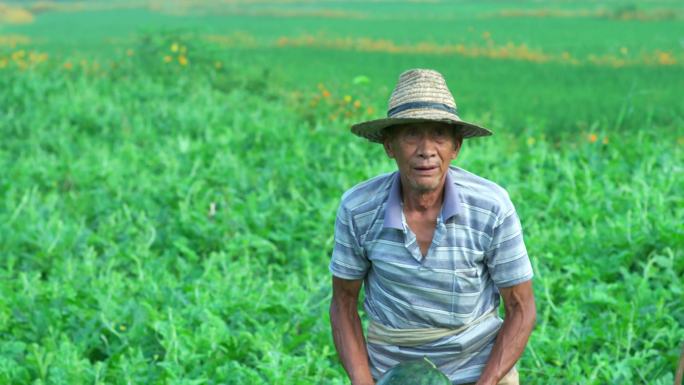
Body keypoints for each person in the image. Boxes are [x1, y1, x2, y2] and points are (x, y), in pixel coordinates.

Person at [329, 69, 536, 385]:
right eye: (411, 134)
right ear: (389, 146)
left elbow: (521, 308)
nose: (426, 150)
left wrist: (486, 382)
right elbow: (343, 303)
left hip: (478, 368)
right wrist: (363, 382)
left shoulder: (491, 206)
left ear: (455, 147)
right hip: (392, 373)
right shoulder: (359, 208)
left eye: (439, 135)